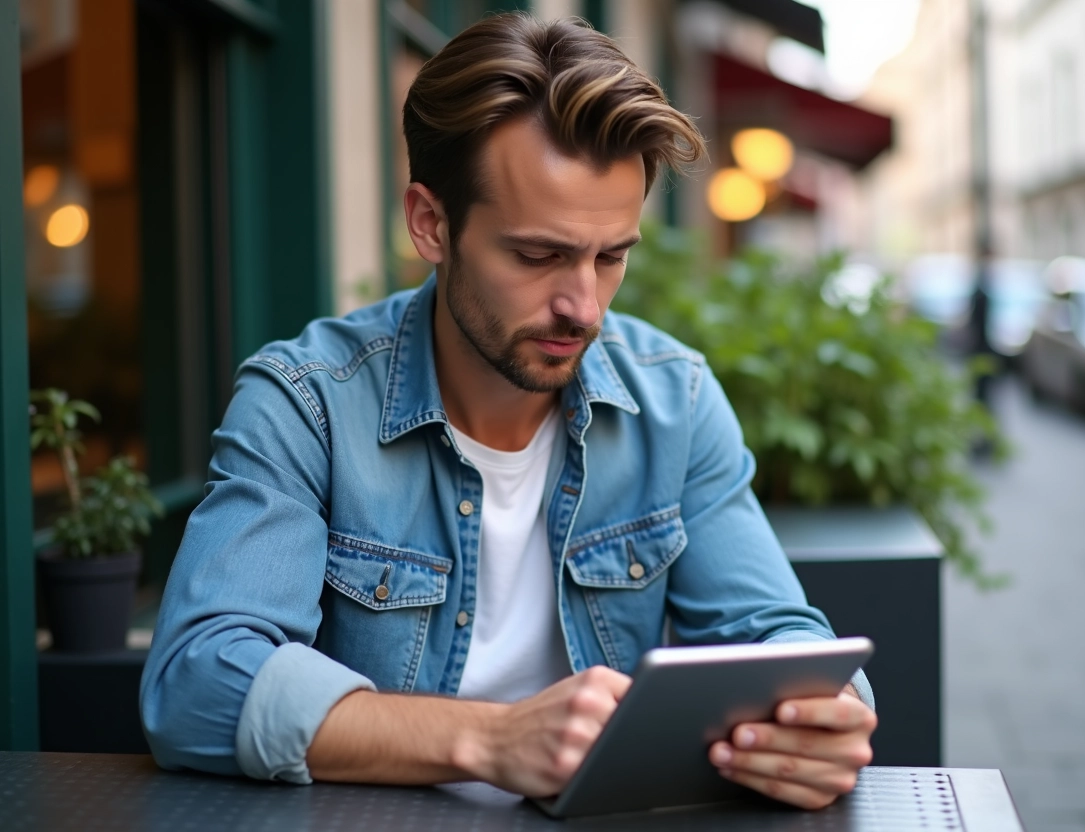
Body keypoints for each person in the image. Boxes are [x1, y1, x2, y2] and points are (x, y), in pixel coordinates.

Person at [140, 13, 876, 812]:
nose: (583, 306)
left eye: (611, 256)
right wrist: (490, 739)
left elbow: (776, 634)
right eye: (538, 255)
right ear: (431, 224)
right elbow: (197, 680)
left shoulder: (676, 398)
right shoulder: (309, 401)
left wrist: (824, 717)